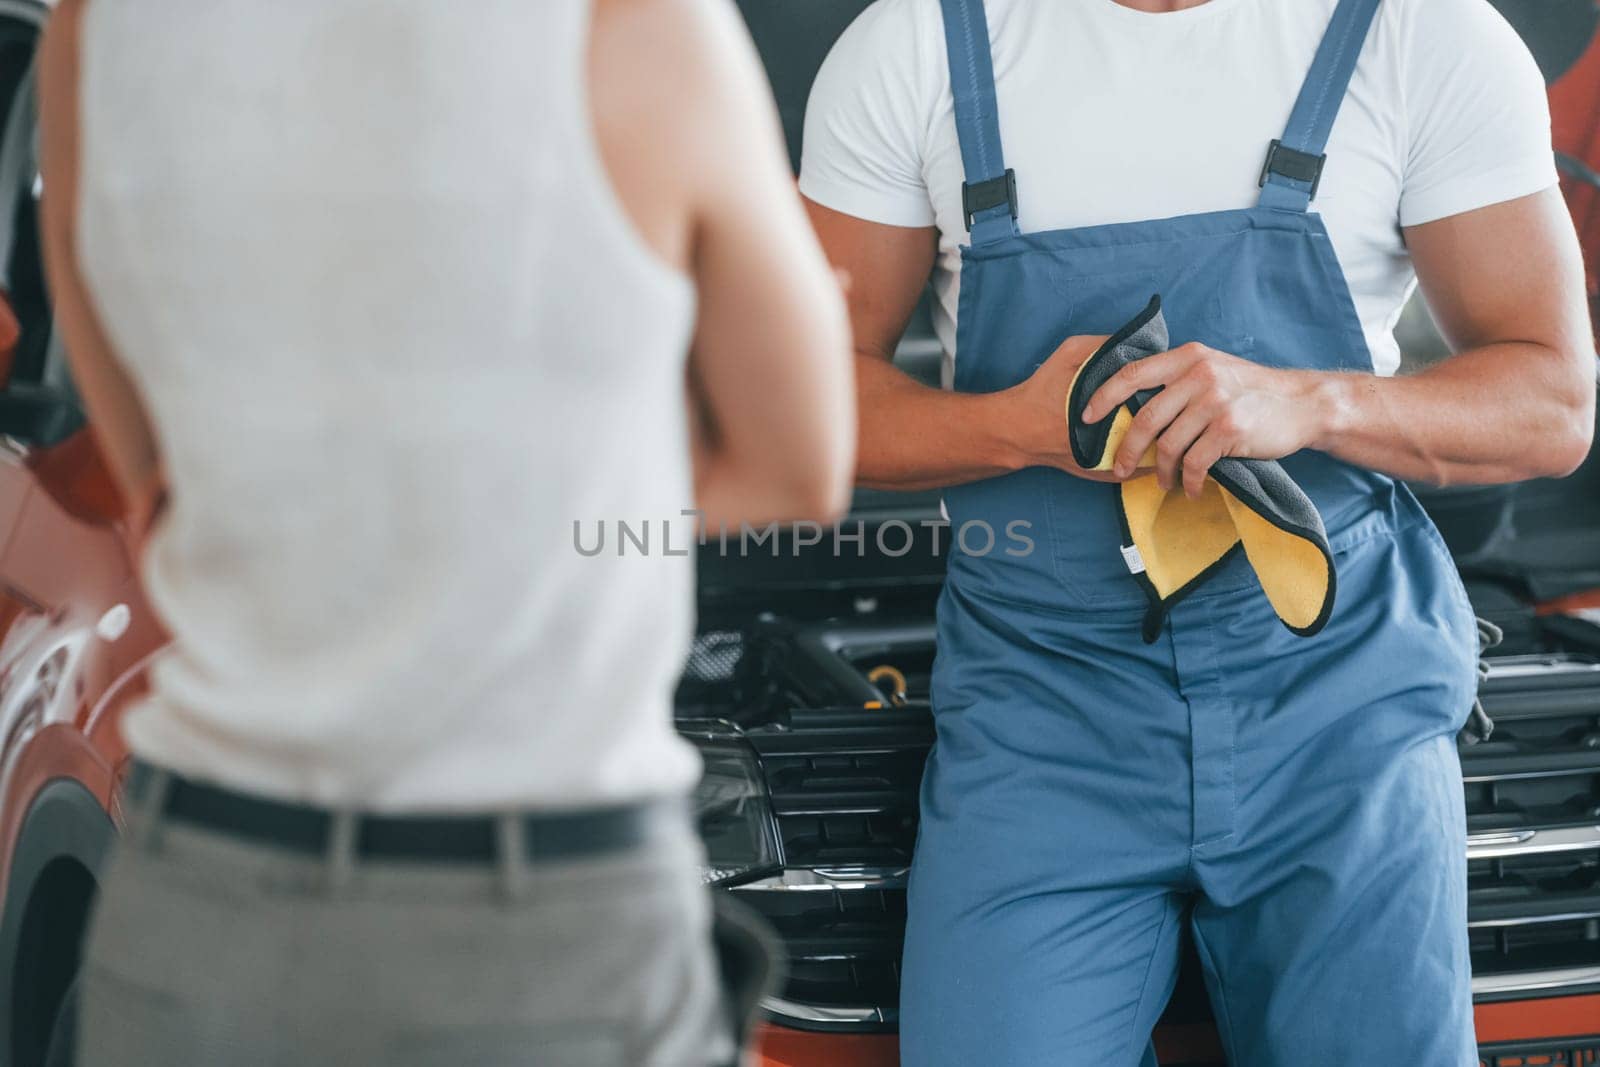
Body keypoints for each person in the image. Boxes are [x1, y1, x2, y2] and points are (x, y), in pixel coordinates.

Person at [37, 0, 854, 1063]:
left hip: (205, 910)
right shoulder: (640, 24)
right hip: (549, 932)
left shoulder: (96, 32)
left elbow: (155, 472)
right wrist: (539, 491)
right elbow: (800, 462)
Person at [800, 0, 1593, 1063]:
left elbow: (1551, 402)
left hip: (1339, 715)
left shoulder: (1419, 34)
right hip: (1040, 721)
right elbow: (797, 401)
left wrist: (1315, 403)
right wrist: (1012, 429)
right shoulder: (917, 47)